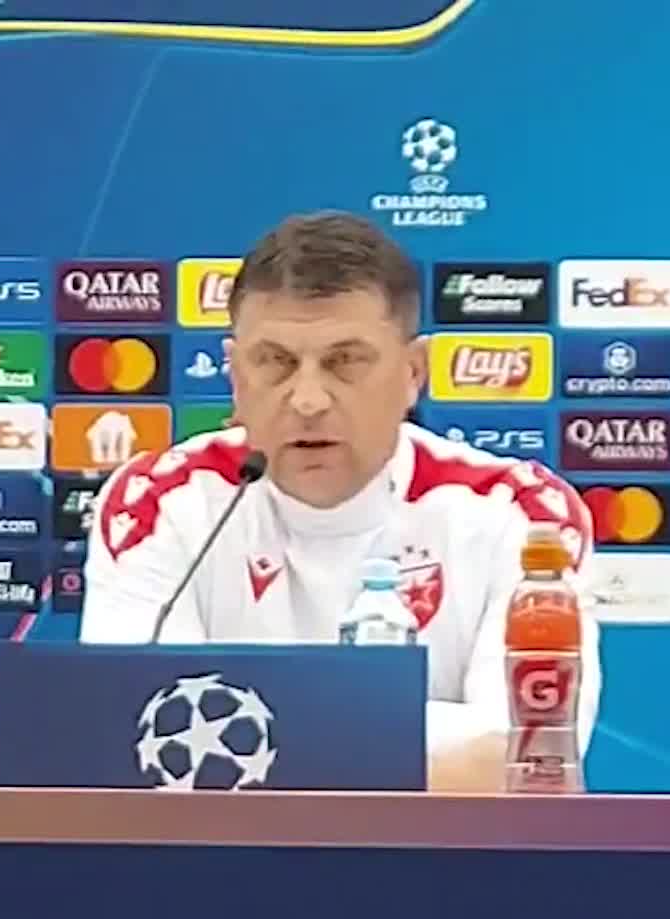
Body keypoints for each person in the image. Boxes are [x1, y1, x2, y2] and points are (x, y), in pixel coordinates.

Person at [79, 210, 600, 791]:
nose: (307, 399)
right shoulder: (159, 505)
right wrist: (396, 744)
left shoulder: (520, 517)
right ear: (235, 375)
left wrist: (248, 744)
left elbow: (526, 768)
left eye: (345, 361)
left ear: (413, 373)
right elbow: (135, 754)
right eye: (275, 362)